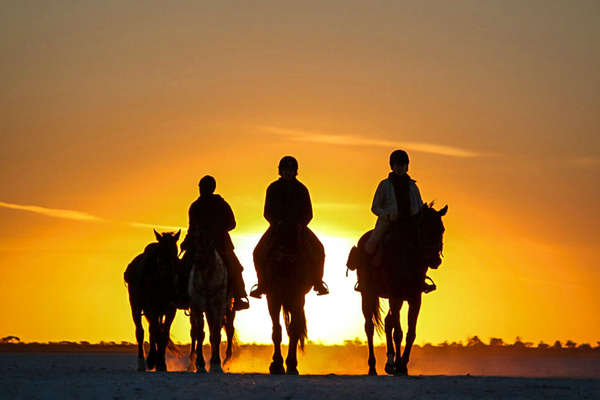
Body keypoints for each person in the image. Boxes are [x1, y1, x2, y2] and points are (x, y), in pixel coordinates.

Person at [249, 156, 329, 298]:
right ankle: (261, 284)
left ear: (295, 171)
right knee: (258, 252)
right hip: (277, 228)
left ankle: (318, 282)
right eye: (285, 170)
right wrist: (276, 223)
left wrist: (300, 225)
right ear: (280, 171)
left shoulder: (302, 189)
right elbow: (267, 212)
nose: (288, 173)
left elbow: (309, 213)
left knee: (319, 249)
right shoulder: (272, 188)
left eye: (291, 170)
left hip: (299, 228)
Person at [361, 150, 435, 293]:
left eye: (403, 165)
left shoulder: (413, 187)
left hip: (410, 224)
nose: (400, 167)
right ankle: (365, 277)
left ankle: (422, 279)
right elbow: (375, 207)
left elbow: (419, 206)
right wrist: (388, 215)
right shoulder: (384, 185)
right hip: (389, 223)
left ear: (407, 166)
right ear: (392, 166)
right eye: (397, 165)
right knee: (371, 244)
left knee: (423, 247)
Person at [180, 175, 250, 311]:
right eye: (201, 187)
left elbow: (232, 223)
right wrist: (187, 241)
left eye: (205, 187)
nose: (202, 190)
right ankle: (182, 295)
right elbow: (191, 227)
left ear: (212, 188)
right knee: (183, 266)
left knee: (235, 266)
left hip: (220, 244)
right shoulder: (195, 206)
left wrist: (217, 229)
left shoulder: (221, 204)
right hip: (198, 244)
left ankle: (239, 295)